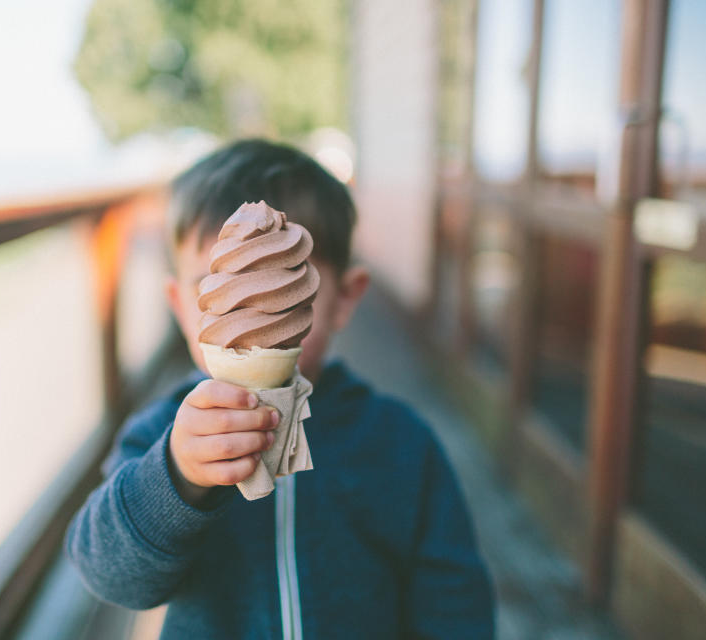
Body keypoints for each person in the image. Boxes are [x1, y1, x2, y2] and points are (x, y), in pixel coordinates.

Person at [65, 139, 495, 638]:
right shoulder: (160, 434)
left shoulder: (400, 443)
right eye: (217, 289)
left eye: (283, 286)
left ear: (343, 299)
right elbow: (112, 577)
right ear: (179, 305)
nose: (248, 319)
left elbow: (454, 598)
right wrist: (177, 478)